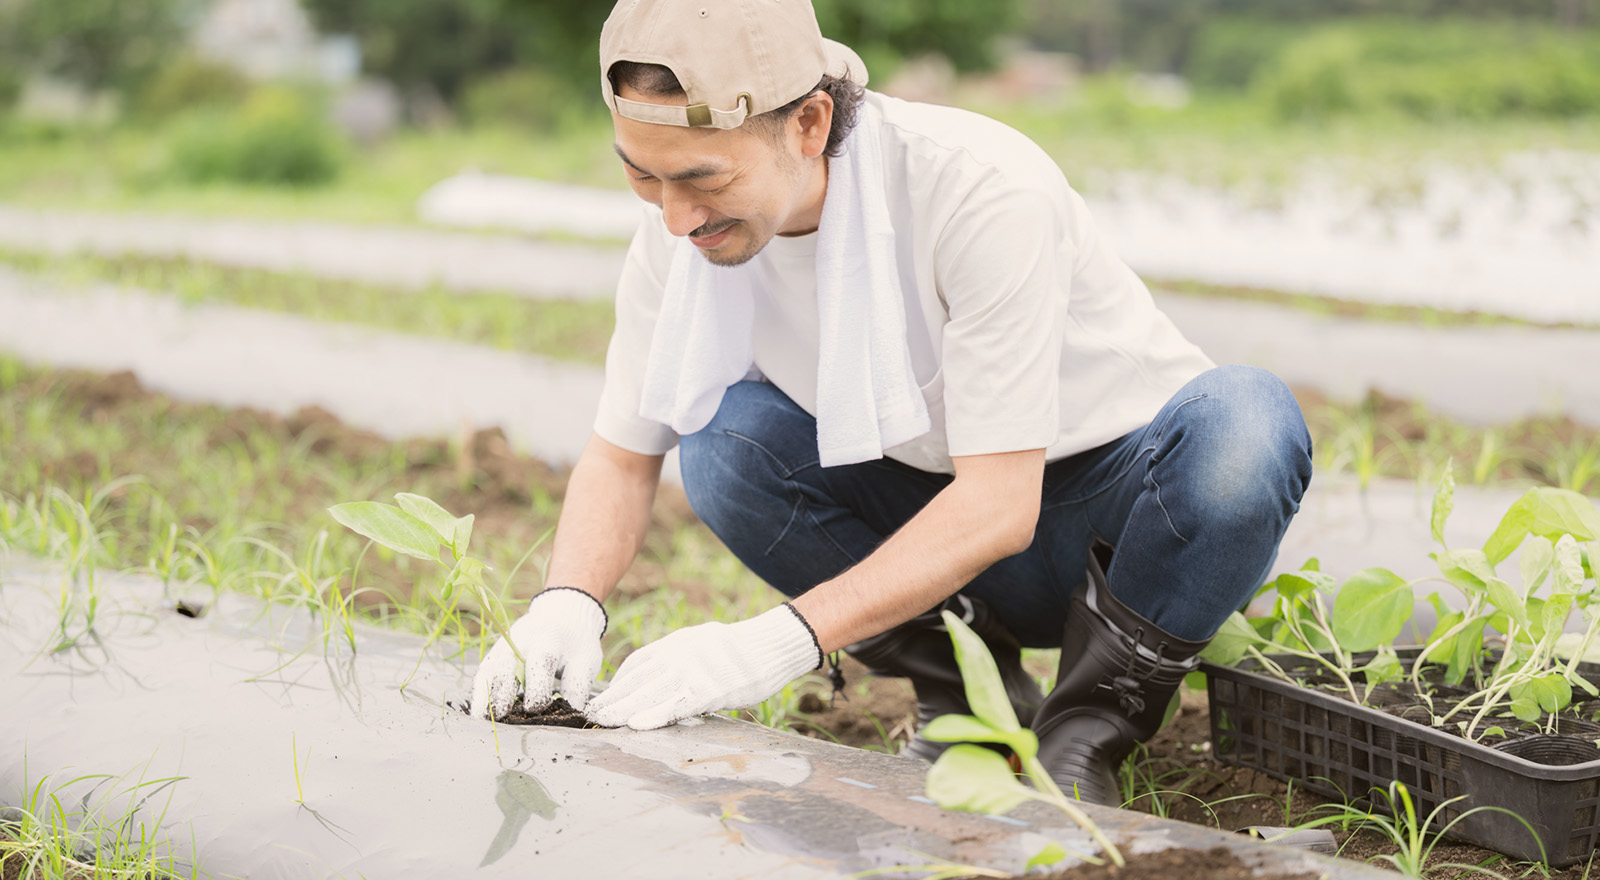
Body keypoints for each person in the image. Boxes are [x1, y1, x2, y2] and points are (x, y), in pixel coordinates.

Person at [471, 0, 1313, 805]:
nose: (674, 216)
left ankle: (1086, 732)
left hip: (1122, 533)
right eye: (640, 175)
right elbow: (622, 453)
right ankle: (971, 705)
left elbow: (999, 505)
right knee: (726, 446)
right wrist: (566, 606)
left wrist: (780, 641)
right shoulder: (679, 239)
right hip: (935, 528)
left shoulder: (977, 189)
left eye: (700, 177)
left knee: (1248, 422)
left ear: (808, 125)